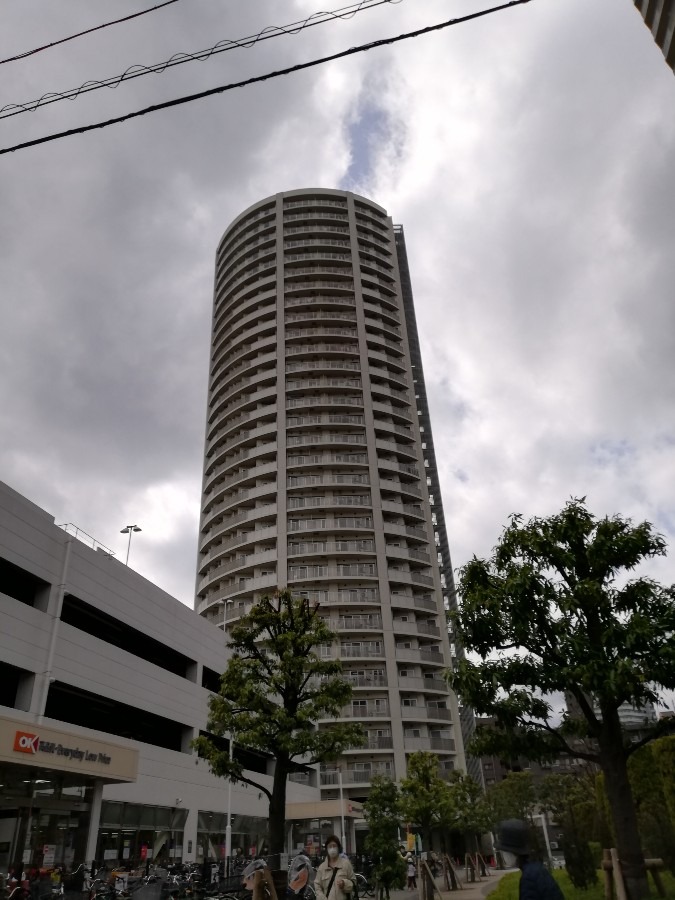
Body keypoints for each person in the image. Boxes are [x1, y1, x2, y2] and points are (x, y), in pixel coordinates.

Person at [494, 820, 564, 900]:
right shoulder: (536, 869)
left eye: (504, 851)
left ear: (513, 852)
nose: (503, 855)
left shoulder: (529, 877)